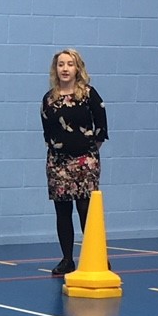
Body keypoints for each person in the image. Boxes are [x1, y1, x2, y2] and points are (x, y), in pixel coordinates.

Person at [41, 49, 108, 275]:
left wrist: (85, 153)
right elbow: (47, 133)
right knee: (63, 211)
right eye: (61, 64)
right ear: (56, 69)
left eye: (70, 64)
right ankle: (67, 259)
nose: (65, 68)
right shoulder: (49, 99)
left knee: (85, 209)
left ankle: (96, 257)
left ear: (77, 68)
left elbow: (101, 130)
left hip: (85, 162)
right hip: (57, 163)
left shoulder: (89, 95)